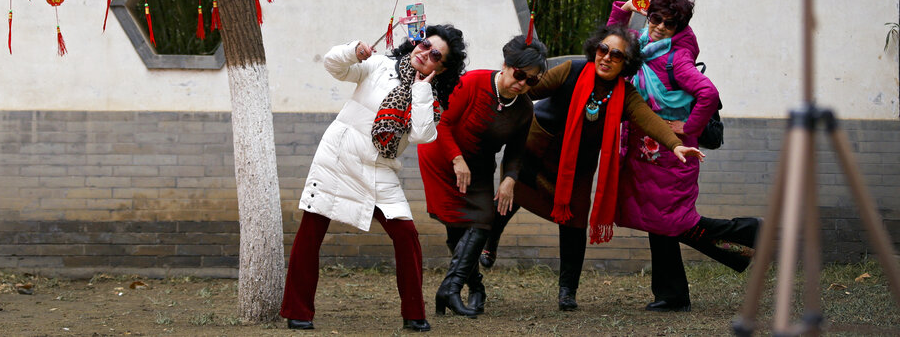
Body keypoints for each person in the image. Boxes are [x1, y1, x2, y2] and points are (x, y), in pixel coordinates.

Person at [478, 25, 704, 312]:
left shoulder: (627, 95)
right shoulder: (570, 70)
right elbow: (531, 86)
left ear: (626, 63)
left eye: (616, 55)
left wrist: (675, 145)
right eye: (603, 50)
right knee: (510, 198)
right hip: (538, 149)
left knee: (573, 223)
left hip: (577, 167)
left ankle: (567, 292)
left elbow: (649, 119)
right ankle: (491, 240)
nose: (607, 58)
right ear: (595, 50)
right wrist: (499, 89)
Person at [280, 25, 468, 332]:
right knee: (311, 230)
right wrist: (353, 51)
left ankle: (414, 313)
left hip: (381, 170)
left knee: (406, 234)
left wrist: (420, 88)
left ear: (442, 67)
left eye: (435, 55)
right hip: (338, 158)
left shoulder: (430, 99)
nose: (424, 53)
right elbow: (333, 65)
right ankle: (297, 311)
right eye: (423, 45)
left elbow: (422, 134)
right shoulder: (380, 65)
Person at [609, 0, 760, 313]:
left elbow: (707, 92)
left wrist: (687, 129)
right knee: (659, 224)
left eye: (670, 23)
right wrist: (623, 10)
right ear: (648, 17)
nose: (661, 27)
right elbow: (612, 43)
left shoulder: (676, 57)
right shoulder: (640, 44)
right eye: (655, 19)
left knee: (673, 222)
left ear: (680, 27)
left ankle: (749, 231)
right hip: (647, 152)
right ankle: (673, 295)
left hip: (672, 155)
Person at [417, 36, 549, 317]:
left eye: (532, 81)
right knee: (457, 227)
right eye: (520, 74)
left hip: (477, 167)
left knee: (482, 221)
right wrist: (456, 159)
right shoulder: (473, 82)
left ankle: (453, 289)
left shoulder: (525, 108)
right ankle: (470, 287)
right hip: (442, 157)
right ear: (507, 65)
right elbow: (444, 122)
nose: (523, 83)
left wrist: (510, 178)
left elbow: (515, 150)